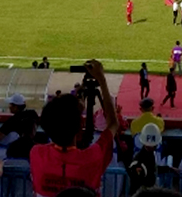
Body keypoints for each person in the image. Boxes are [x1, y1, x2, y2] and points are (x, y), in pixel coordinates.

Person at [30, 60, 117, 197]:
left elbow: (57, 121)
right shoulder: (92, 157)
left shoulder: (37, 154)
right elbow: (113, 124)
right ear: (79, 128)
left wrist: (74, 109)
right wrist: (101, 80)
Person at [128, 123, 165, 194]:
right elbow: (138, 185)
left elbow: (152, 169)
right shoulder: (138, 162)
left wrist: (168, 169)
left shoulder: (149, 155)